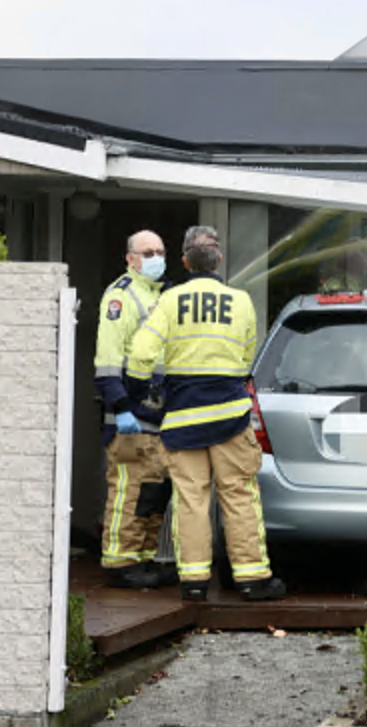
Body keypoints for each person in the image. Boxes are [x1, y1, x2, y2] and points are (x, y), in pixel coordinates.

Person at [127, 225, 285, 603]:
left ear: (183, 261)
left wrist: (138, 397)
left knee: (190, 501)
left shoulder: (168, 301)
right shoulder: (242, 301)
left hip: (182, 419)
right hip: (230, 417)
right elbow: (246, 359)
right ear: (219, 261)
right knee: (239, 496)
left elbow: (140, 356)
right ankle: (252, 579)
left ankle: (194, 582)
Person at [92, 230, 178, 590]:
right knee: (128, 490)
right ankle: (119, 561)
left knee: (153, 492)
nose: (155, 257)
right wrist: (121, 406)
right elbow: (108, 360)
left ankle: (142, 559)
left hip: (159, 415)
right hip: (131, 414)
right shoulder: (121, 297)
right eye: (147, 252)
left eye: (159, 251)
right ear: (130, 258)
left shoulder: (163, 295)